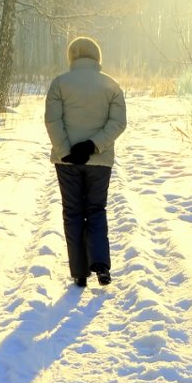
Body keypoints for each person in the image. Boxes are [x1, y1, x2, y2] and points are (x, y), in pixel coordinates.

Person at [44, 36, 127, 287]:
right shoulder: (111, 85)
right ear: (97, 56)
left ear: (72, 56)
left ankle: (80, 272)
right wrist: (93, 146)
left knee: (73, 213)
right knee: (95, 210)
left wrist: (66, 150)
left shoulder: (59, 84)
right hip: (99, 161)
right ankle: (101, 265)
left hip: (67, 161)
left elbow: (52, 121)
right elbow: (118, 123)